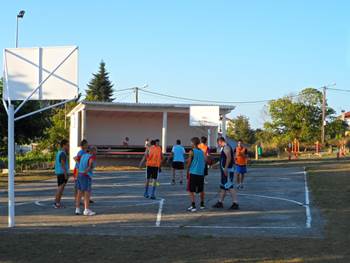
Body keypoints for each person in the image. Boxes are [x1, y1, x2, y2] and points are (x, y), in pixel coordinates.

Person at [212, 137, 239, 210]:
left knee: (229, 186)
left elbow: (229, 158)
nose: (218, 145)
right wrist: (216, 164)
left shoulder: (226, 147)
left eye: (218, 143)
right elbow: (223, 159)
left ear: (220, 141)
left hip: (228, 170)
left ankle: (235, 203)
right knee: (223, 187)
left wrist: (226, 168)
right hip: (225, 170)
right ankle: (220, 202)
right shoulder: (224, 147)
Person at [75, 146, 97, 216]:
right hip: (86, 175)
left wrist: (80, 167)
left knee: (79, 192)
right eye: (95, 151)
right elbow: (90, 165)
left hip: (79, 174)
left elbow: (75, 158)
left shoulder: (83, 155)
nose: (96, 152)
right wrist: (87, 170)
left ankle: (77, 209)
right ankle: (86, 209)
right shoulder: (91, 157)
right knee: (87, 193)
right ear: (92, 151)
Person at [186, 137, 206, 212]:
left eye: (191, 142)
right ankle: (202, 204)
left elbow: (189, 162)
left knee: (191, 190)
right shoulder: (201, 151)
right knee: (201, 190)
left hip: (193, 172)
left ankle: (193, 205)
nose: (190, 144)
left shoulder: (191, 151)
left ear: (193, 143)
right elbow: (205, 160)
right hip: (200, 173)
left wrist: (187, 171)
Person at [53, 139, 70, 209]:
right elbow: (62, 164)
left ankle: (58, 202)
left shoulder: (59, 152)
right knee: (60, 188)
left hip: (59, 172)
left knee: (60, 188)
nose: (68, 146)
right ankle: (56, 203)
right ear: (64, 145)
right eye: (67, 145)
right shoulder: (62, 153)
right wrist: (65, 174)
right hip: (62, 173)